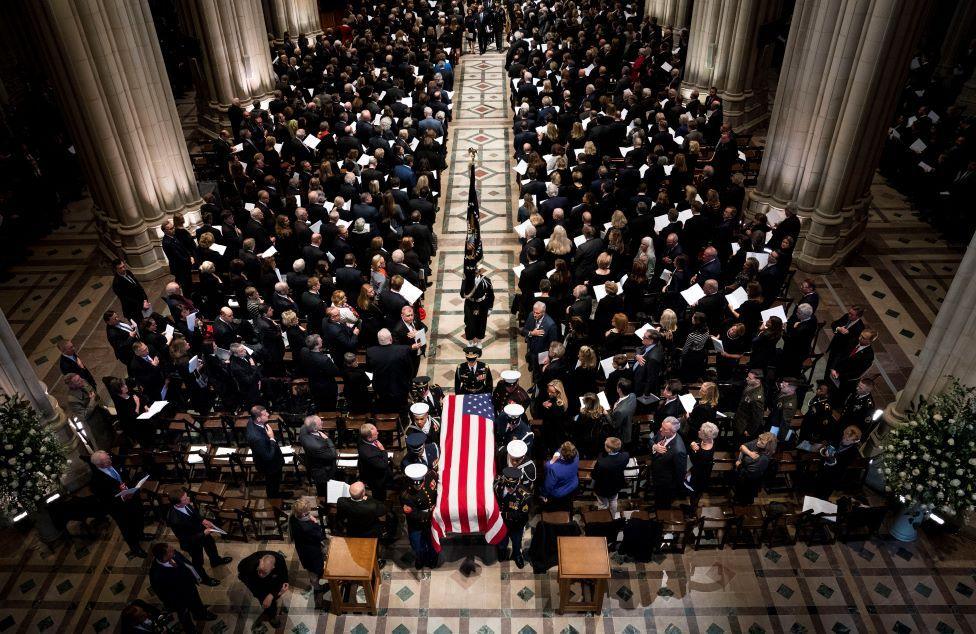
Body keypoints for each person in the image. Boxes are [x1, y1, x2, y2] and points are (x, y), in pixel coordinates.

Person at [165, 486, 231, 584]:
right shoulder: (175, 520)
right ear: (178, 504)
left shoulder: (186, 504)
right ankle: (204, 578)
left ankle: (215, 561)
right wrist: (203, 533)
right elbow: (184, 538)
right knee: (198, 561)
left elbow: (194, 513)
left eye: (187, 496)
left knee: (211, 545)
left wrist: (203, 520)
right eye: (185, 499)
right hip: (193, 542)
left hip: (201, 531)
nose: (189, 499)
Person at [88, 450, 148, 557]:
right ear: (99, 464)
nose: (110, 461)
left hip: (132, 499)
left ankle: (141, 534)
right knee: (128, 528)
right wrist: (122, 496)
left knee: (139, 518)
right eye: (106, 460)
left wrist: (130, 489)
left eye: (108, 458)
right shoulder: (96, 480)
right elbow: (105, 500)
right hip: (119, 509)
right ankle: (135, 547)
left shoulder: (114, 465)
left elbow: (125, 479)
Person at [148, 543, 218, 632]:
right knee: (184, 615)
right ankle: (190, 630)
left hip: (189, 586)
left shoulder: (174, 553)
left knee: (196, 601)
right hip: (179, 598)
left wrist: (195, 577)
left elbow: (186, 563)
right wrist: (174, 603)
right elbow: (161, 593)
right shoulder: (156, 574)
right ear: (164, 556)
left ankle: (200, 614)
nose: (173, 549)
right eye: (170, 550)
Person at [366, 328, 418, 411]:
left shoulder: (371, 352)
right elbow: (410, 369)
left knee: (385, 406)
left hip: (381, 388)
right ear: (391, 339)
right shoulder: (402, 350)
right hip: (400, 387)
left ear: (379, 340)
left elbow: (369, 369)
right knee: (401, 407)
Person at [237, 551, 290, 628]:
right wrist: (265, 597)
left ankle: (271, 605)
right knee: (266, 601)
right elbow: (255, 588)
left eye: (264, 572)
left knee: (273, 593)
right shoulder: (249, 566)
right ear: (260, 561)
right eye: (260, 571)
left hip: (266, 575)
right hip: (249, 577)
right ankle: (271, 616)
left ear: (273, 567)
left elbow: (284, 574)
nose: (261, 574)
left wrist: (285, 582)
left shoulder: (280, 560)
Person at [401, 463, 438, 569]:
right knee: (417, 545)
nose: (418, 487)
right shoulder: (406, 494)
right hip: (417, 524)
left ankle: (433, 558)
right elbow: (413, 514)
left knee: (432, 543)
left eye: (420, 484)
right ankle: (420, 558)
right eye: (415, 485)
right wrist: (431, 514)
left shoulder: (431, 475)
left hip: (432, 522)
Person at [495, 466, 533, 568]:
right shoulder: (498, 487)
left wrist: (503, 514)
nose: (509, 489)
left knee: (516, 542)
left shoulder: (525, 495)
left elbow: (523, 515)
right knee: (502, 541)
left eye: (512, 486)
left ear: (518, 481)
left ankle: (517, 555)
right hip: (502, 523)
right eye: (508, 486)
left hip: (516, 525)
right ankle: (502, 552)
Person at [245, 405, 285, 499]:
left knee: (276, 481)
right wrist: (271, 438)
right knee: (272, 483)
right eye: (265, 414)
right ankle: (274, 500)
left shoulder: (252, 420)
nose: (268, 414)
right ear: (258, 418)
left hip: (268, 454)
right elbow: (268, 456)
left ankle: (277, 494)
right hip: (269, 465)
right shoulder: (256, 438)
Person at [649, 417, 687, 509]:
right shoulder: (663, 432)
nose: (660, 429)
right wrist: (654, 447)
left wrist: (674, 489)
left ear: (672, 432)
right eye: (662, 426)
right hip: (657, 476)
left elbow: (680, 473)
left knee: (663, 507)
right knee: (658, 499)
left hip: (666, 484)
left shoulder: (678, 450)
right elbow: (651, 440)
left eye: (664, 429)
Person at [289, 498, 326, 591]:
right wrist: (315, 522)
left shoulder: (293, 517)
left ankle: (317, 576)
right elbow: (319, 536)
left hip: (303, 548)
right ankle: (317, 588)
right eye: (308, 510)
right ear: (303, 513)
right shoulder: (307, 527)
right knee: (314, 570)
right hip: (311, 552)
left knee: (312, 569)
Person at [733, 432, 778, 504]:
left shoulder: (764, 459)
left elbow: (750, 475)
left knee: (743, 501)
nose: (758, 442)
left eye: (762, 442)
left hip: (749, 483)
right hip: (742, 477)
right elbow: (742, 446)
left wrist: (739, 466)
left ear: (768, 446)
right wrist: (749, 453)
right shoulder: (758, 442)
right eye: (759, 439)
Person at [298, 415, 337, 496]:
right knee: (323, 492)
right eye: (320, 424)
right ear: (315, 429)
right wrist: (327, 439)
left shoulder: (303, 428)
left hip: (313, 460)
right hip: (322, 471)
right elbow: (333, 454)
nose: (322, 423)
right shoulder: (317, 446)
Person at [592, 437, 630, 518]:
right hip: (616, 484)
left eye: (605, 445)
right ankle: (612, 517)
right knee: (613, 500)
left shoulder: (602, 461)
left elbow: (595, 475)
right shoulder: (625, 456)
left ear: (609, 449)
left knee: (603, 504)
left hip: (602, 487)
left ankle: (604, 519)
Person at [685, 422, 718, 515]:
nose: (698, 431)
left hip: (699, 474)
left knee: (694, 492)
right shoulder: (709, 441)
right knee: (696, 492)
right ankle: (693, 507)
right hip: (700, 470)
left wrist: (693, 449)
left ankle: (692, 511)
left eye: (700, 431)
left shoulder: (703, 453)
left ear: (706, 437)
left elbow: (695, 461)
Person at [358, 423, 394, 502]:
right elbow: (383, 465)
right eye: (376, 433)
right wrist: (383, 450)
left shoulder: (363, 439)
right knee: (379, 496)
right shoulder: (369, 454)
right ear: (369, 438)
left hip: (371, 468)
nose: (378, 433)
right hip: (377, 479)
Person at [540, 441, 579, 512]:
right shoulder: (576, 455)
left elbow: (548, 486)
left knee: (554, 507)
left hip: (559, 493)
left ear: (562, 454)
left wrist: (544, 495)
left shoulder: (554, 468)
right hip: (573, 485)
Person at [522, 301, 558, 377]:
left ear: (543, 312)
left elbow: (553, 344)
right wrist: (531, 333)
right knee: (531, 363)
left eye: (537, 313)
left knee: (538, 373)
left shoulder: (551, 325)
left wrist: (549, 357)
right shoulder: (531, 315)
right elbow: (523, 331)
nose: (534, 315)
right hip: (531, 350)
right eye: (534, 312)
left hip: (542, 354)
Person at [462, 265, 494, 346]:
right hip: (470, 304)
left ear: (480, 272)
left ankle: (479, 341)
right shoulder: (467, 280)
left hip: (482, 304)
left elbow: (491, 295)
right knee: (469, 323)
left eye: (476, 272)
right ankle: (470, 341)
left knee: (482, 323)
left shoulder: (486, 281)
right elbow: (462, 294)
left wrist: (490, 308)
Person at [734, 370, 766, 443]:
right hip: (740, 420)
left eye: (749, 378)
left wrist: (750, 431)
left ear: (758, 381)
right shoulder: (751, 385)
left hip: (745, 426)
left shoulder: (757, 398)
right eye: (747, 376)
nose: (746, 379)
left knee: (741, 445)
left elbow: (757, 417)